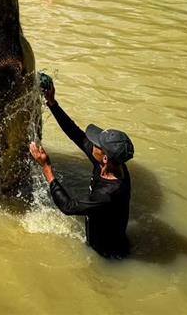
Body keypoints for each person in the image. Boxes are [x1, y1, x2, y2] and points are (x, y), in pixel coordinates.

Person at [29, 80, 134, 259]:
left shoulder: (108, 194)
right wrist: (52, 103)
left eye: (96, 144)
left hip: (108, 256)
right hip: (107, 240)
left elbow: (69, 207)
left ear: (106, 157)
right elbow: (76, 134)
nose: (90, 143)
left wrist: (47, 167)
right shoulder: (110, 163)